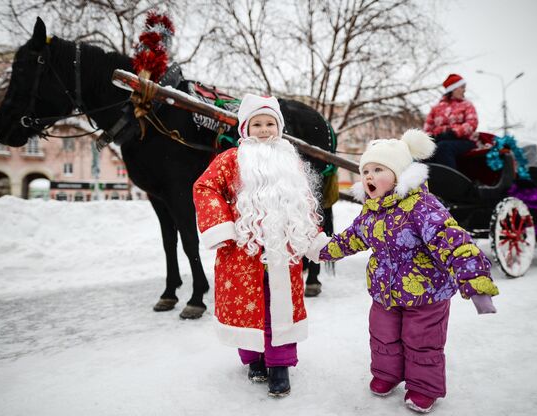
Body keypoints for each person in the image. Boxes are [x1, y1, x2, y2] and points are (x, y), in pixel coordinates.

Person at [308, 129, 499, 413]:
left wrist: (475, 281)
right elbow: (350, 240)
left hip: (427, 294)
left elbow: (453, 241)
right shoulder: (371, 212)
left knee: (422, 342)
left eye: (378, 169)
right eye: (366, 171)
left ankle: (423, 387)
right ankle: (387, 375)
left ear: (399, 175)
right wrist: (318, 249)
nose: (369, 177)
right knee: (383, 334)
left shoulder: (422, 207)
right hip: (385, 291)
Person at [192, 93, 326, 397]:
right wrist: (221, 227)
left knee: (280, 308)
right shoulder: (230, 160)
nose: (264, 130)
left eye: (270, 123)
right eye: (257, 124)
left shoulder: (289, 161)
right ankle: (253, 358)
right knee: (248, 306)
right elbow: (205, 187)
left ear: (278, 127)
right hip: (242, 251)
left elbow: (304, 202)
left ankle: (279, 366)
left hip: (284, 254)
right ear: (245, 128)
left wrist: (313, 237)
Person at [424, 74, 479, 169]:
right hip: (440, 140)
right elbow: (428, 128)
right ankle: (424, 183)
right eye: (462, 87)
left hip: (464, 141)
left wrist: (454, 132)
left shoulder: (467, 105)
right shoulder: (436, 108)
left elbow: (472, 123)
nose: (464, 90)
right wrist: (432, 138)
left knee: (443, 147)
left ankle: (450, 182)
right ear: (453, 89)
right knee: (424, 154)